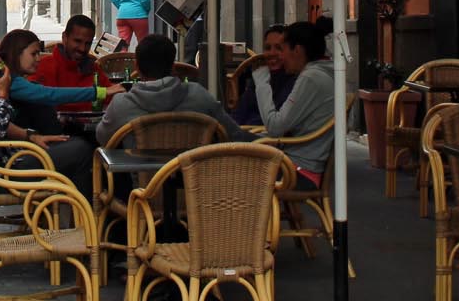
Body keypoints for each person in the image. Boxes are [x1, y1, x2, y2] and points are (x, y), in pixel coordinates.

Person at [0, 27, 92, 194]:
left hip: (0, 162)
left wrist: (30, 135)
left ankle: (66, 211)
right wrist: (3, 94)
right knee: (81, 149)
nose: (0, 60)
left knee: (70, 147)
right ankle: (81, 215)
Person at [96, 34, 252, 145]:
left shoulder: (122, 105)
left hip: (141, 188)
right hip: (194, 185)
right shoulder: (199, 95)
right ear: (173, 67)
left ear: (137, 68)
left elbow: (102, 138)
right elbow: (233, 133)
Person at [251, 17, 337, 189]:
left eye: (282, 49)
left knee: (222, 148)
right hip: (296, 163)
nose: (280, 57)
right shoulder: (323, 73)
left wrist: (261, 83)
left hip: (297, 170)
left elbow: (275, 126)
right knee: (227, 139)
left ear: (297, 50)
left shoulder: (311, 78)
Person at [0, 29, 122, 135]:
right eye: (33, 54)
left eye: (38, 53)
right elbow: (51, 94)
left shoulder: (14, 80)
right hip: (31, 152)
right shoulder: (11, 81)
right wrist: (101, 92)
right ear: (16, 54)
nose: (38, 58)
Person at [31, 14, 114, 112]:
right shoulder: (43, 67)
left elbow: (112, 98)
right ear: (64, 37)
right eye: (77, 41)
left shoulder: (93, 68)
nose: (83, 48)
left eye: (88, 43)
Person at [232, 24, 295, 126]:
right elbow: (239, 113)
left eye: (278, 48)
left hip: (262, 137)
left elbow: (276, 122)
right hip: (242, 135)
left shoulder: (294, 80)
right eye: (267, 48)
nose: (271, 53)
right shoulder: (261, 74)